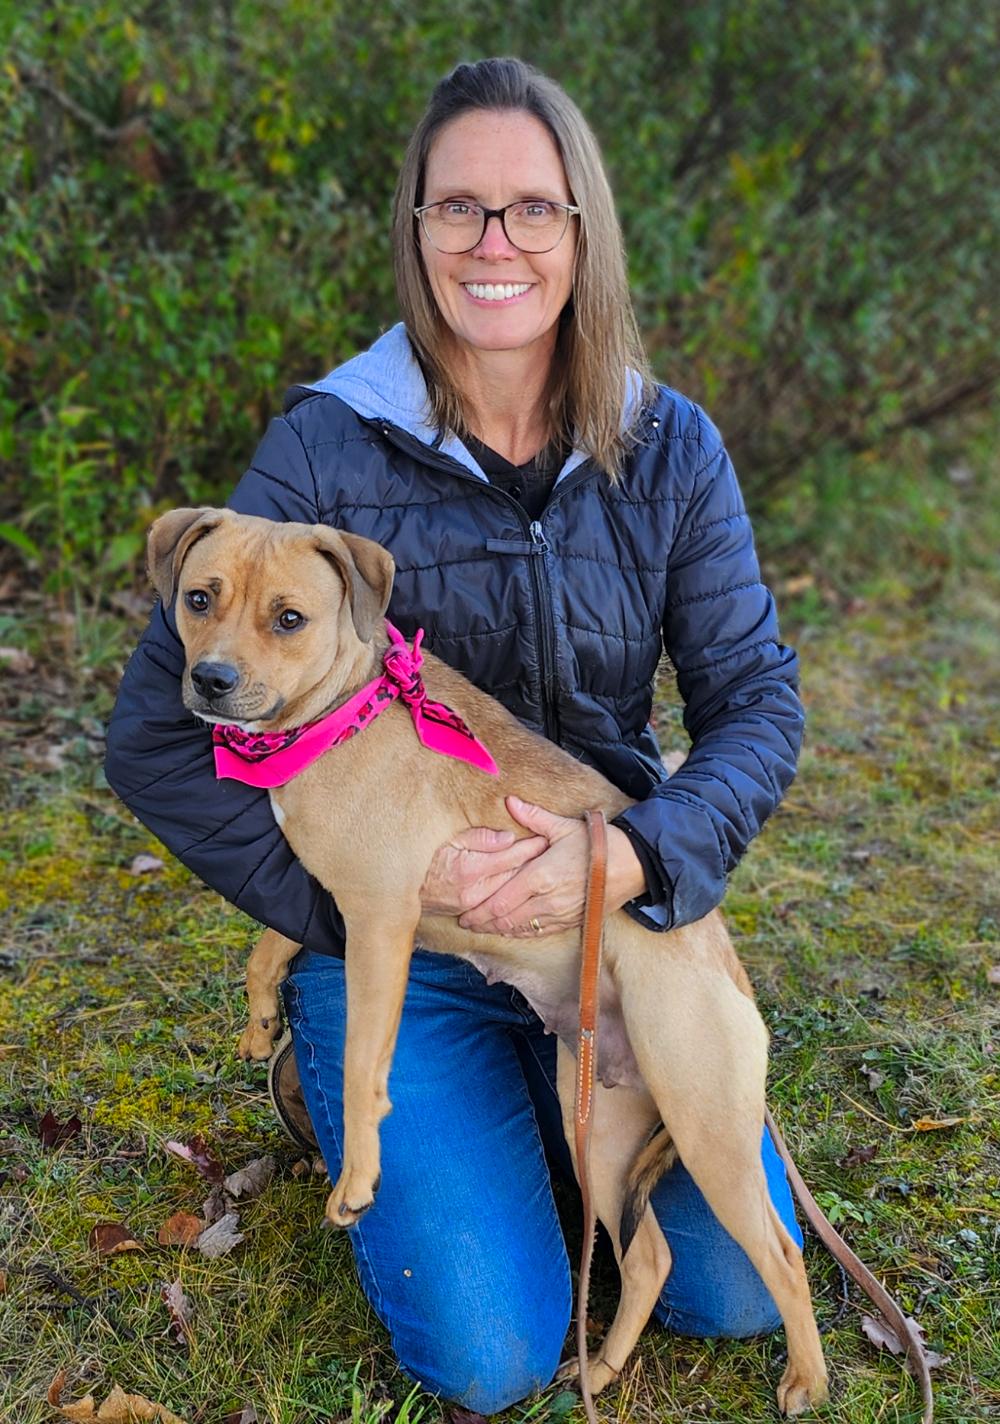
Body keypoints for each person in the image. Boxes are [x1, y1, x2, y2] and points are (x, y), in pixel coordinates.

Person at [106, 57, 806, 1416]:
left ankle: (565, 1107)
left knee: (723, 1300)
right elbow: (154, 739)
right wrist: (358, 898)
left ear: (582, 233)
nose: (496, 245)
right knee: (489, 1359)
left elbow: (758, 707)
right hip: (398, 940)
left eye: (532, 211)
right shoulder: (327, 445)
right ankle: (397, 1099)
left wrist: (641, 858)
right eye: (459, 210)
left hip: (599, 918)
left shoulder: (670, 448)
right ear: (415, 230)